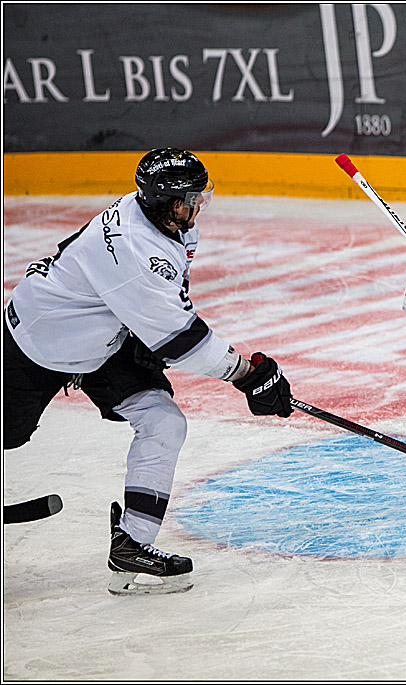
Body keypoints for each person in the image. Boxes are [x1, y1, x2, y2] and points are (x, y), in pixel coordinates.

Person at [3, 148, 294, 595]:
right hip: (38, 342)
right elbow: (181, 340)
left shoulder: (164, 223)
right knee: (10, 435)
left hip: (103, 339)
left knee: (163, 421)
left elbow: (168, 310)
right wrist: (248, 375)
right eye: (193, 198)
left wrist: (144, 331)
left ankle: (132, 544)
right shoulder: (135, 251)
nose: (200, 206)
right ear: (169, 201)